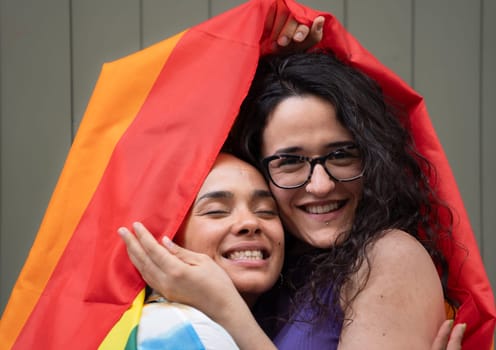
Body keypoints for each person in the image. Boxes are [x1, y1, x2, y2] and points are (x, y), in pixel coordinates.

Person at [120, 51, 467, 349]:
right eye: (290, 161)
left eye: (341, 155)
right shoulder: (273, 272)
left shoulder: (390, 256)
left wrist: (226, 309)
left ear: (372, 160)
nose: (320, 185)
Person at [119, 152, 285, 349]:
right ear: (167, 237)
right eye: (216, 210)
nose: (250, 222)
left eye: (265, 210)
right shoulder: (182, 329)